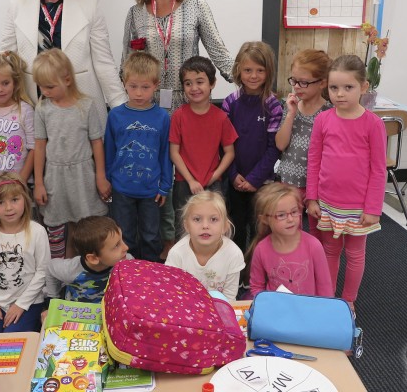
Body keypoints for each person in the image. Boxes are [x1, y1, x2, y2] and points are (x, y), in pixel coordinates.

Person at [306, 55, 387, 316]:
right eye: (334, 88)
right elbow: (314, 160)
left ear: (363, 87)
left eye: (348, 87)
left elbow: (379, 169)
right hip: (328, 202)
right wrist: (312, 197)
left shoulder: (373, 124)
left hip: (358, 206)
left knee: (354, 254)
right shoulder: (323, 120)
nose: (339, 94)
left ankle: (348, 300)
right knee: (330, 250)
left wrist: (373, 208)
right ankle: (328, 297)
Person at [122, 0, 234, 113]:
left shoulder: (196, 5)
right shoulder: (135, 13)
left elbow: (220, 55)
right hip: (149, 108)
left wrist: (252, 81)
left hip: (191, 104)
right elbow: (126, 67)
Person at [33, 49, 109, 259]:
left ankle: (87, 267)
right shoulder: (42, 109)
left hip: (83, 176)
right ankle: (61, 269)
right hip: (55, 177)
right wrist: (38, 183)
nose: (45, 91)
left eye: (50, 86)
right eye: (41, 86)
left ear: (67, 80)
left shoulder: (86, 106)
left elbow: (97, 143)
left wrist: (100, 176)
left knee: (85, 228)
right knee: (58, 228)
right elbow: (39, 146)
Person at [104, 52, 172, 262]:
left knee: (151, 236)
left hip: (151, 190)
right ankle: (127, 274)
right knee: (125, 236)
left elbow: (165, 153)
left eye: (145, 87)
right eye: (133, 86)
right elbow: (109, 150)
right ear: (124, 83)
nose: (139, 93)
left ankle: (151, 274)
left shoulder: (162, 117)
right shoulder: (115, 115)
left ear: (156, 85)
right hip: (121, 189)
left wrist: (165, 186)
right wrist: (108, 179)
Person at [221, 41, 283, 254]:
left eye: (260, 70)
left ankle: (257, 268)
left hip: (262, 181)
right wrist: (233, 175)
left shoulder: (273, 105)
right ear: (239, 70)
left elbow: (274, 148)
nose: (253, 76)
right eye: (248, 70)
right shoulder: (230, 103)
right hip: (235, 180)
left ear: (269, 72)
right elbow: (224, 144)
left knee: (260, 230)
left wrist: (255, 178)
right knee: (236, 227)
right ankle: (237, 269)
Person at [169, 56, 237, 237]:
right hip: (184, 182)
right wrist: (191, 180)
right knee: (183, 229)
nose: (194, 88)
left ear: (212, 83)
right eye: (188, 83)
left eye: (200, 82)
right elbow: (174, 152)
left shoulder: (221, 117)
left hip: (213, 183)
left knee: (215, 229)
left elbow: (230, 152)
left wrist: (214, 176)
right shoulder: (178, 116)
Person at [0, 172, 50, 333]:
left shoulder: (37, 231)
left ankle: (37, 318)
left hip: (30, 302)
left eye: (15, 200)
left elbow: (43, 271)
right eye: (0, 202)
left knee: (13, 341)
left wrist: (21, 305)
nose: (8, 208)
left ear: (25, 200)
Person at [275, 49, 332, 233]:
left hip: (317, 184)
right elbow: (280, 144)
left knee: (318, 232)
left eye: (304, 82)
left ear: (322, 82)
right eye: (294, 81)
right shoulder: (290, 106)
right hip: (289, 180)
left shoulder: (329, 113)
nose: (297, 87)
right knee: (290, 231)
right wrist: (291, 114)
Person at [248, 183, 332, 298]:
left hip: (307, 307)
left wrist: (324, 307)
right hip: (277, 306)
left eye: (294, 212)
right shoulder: (261, 249)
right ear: (265, 219)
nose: (290, 219)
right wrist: (267, 304)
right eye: (281, 215)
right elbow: (256, 286)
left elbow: (325, 286)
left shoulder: (313, 246)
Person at [165, 191, 245, 302]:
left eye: (213, 219)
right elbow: (172, 293)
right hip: (186, 307)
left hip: (220, 309)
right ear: (186, 225)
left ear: (225, 226)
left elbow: (229, 297)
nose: (205, 226)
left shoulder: (233, 254)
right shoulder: (176, 254)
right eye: (197, 219)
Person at [44, 216, 132, 305]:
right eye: (116, 245)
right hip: (76, 311)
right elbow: (50, 268)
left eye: (122, 240)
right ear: (93, 258)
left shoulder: (127, 261)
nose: (126, 247)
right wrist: (53, 299)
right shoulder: (70, 270)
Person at [0, 51, 35, 183]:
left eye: (5, 83)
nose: (0, 89)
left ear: (15, 82)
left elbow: (34, 148)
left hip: (18, 184)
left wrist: (21, 181)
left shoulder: (25, 110)